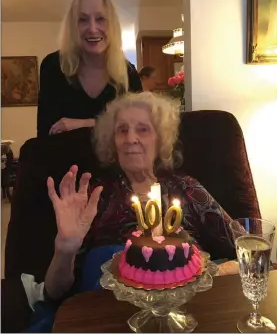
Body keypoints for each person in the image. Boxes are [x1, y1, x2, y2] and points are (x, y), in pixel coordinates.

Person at [43, 91, 239, 302]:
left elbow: (245, 250)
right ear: (113, 140)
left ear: (160, 139)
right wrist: (65, 249)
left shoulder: (187, 188)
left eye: (143, 130)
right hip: (106, 313)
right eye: (122, 130)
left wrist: (214, 273)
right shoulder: (93, 196)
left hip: (184, 312)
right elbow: (54, 293)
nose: (130, 139)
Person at [37, 0, 142, 137]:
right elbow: (44, 134)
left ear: (112, 25)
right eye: (83, 19)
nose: (92, 29)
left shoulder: (128, 72)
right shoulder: (53, 66)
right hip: (64, 159)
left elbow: (138, 127)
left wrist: (86, 123)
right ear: (73, 27)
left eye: (100, 19)